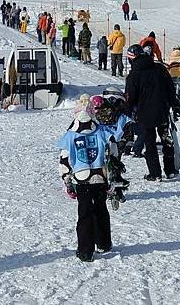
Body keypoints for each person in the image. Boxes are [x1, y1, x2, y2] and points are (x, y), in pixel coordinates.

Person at [57, 94, 125, 262]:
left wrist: (66, 179)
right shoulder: (102, 131)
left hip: (82, 179)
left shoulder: (70, 135)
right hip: (100, 177)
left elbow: (64, 159)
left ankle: (85, 250)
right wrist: (114, 177)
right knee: (101, 209)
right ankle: (104, 242)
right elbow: (113, 153)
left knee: (85, 214)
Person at [125, 44, 180, 181]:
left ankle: (155, 173)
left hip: (145, 115)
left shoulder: (133, 75)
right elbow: (171, 89)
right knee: (166, 140)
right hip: (162, 111)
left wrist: (127, 112)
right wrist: (175, 105)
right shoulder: (160, 68)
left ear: (131, 59)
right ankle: (170, 170)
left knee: (150, 143)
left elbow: (131, 97)